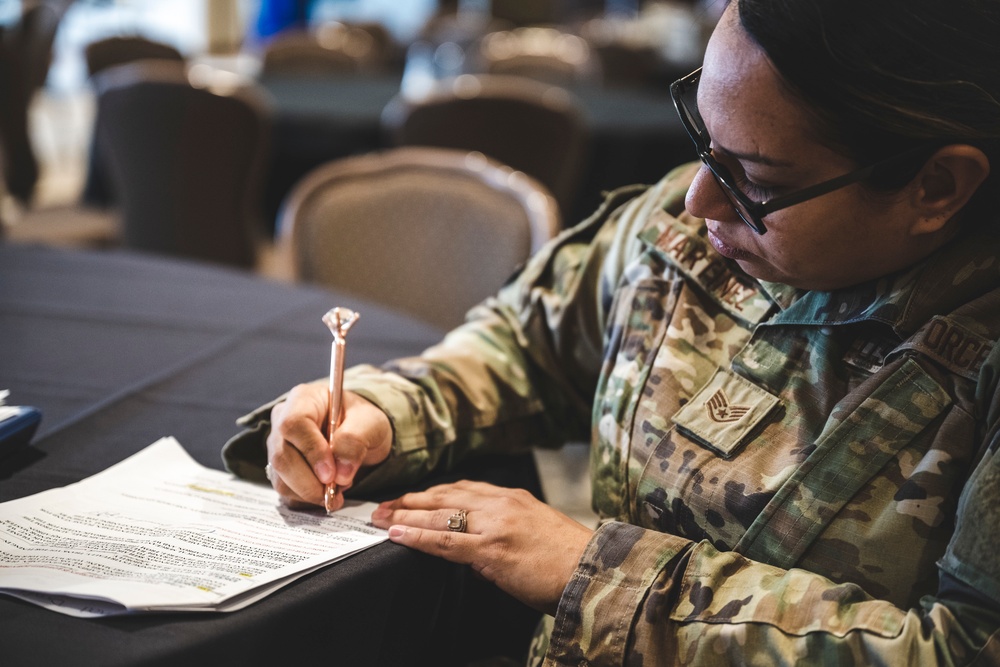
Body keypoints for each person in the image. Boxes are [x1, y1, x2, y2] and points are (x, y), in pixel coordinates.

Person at [223, 0, 1000, 663]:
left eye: (757, 181)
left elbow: (963, 647)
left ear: (937, 186)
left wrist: (591, 571)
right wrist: (390, 410)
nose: (698, 200)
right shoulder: (683, 224)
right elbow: (526, 347)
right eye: (702, 141)